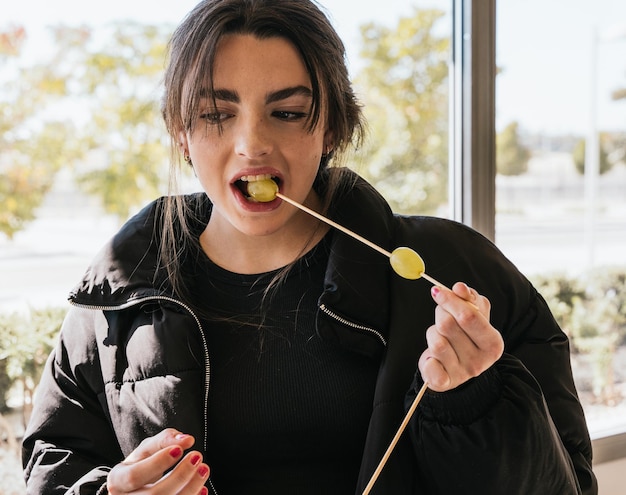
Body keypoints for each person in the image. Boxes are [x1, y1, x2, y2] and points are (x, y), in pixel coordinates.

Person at [22, 0, 597, 494]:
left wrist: (477, 404)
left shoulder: (459, 274)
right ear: (181, 132)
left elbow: (566, 481)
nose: (252, 144)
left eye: (288, 112)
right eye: (217, 113)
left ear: (330, 128)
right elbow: (53, 467)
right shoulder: (111, 305)